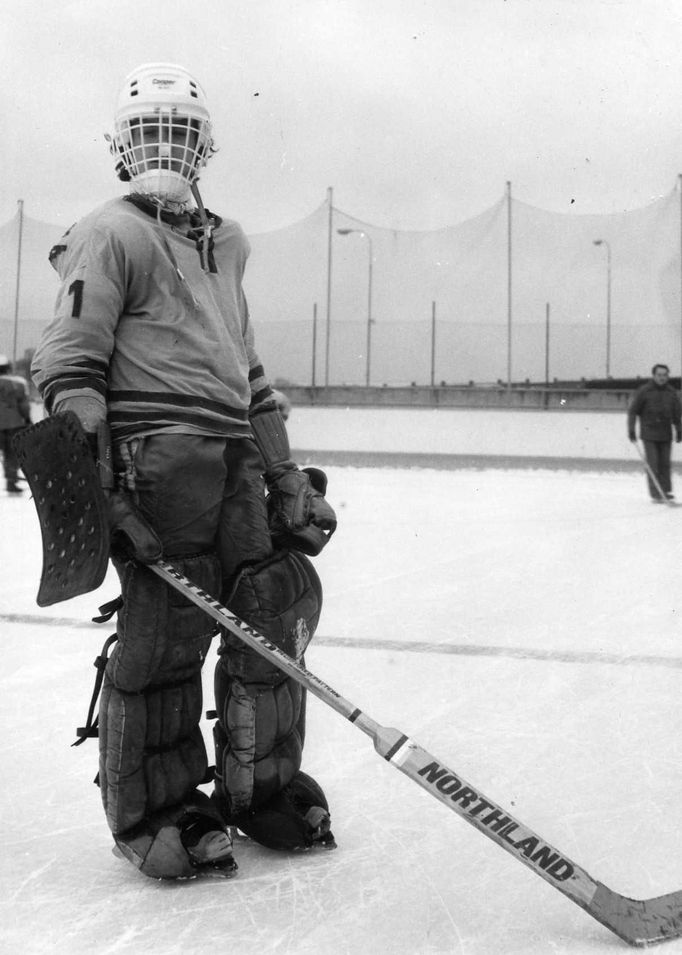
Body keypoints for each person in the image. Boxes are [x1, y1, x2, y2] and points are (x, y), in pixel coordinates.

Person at [30, 63, 337, 880]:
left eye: (181, 129)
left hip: (233, 454)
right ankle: (158, 807)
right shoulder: (108, 233)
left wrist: (283, 475)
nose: (166, 143)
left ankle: (259, 784)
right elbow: (68, 364)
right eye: (150, 129)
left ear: (205, 145)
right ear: (122, 148)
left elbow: (249, 370)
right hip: (156, 457)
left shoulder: (226, 243)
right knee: (168, 630)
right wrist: (98, 490)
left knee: (274, 603)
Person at [627, 363, 682, 502]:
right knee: (653, 464)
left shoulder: (671, 392)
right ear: (654, 376)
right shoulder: (644, 391)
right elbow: (633, 411)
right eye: (659, 375)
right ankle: (656, 493)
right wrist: (631, 429)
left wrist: (679, 429)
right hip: (649, 434)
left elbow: (677, 414)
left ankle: (665, 491)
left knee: (665, 464)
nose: (662, 378)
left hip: (665, 434)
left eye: (665, 375)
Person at [0, 354, 31, 493]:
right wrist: (27, 418)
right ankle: (11, 482)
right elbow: (23, 405)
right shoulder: (18, 383)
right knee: (11, 453)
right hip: (13, 423)